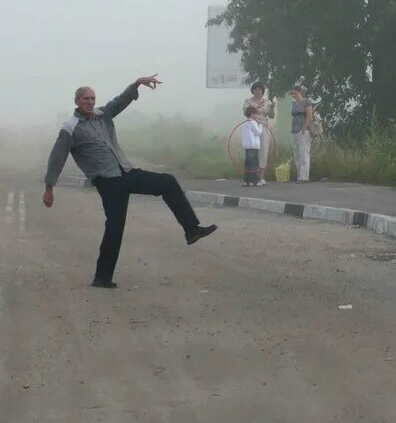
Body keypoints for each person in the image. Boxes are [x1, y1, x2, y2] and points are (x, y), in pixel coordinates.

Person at [42, 75, 217, 289]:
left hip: (126, 172)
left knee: (167, 182)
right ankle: (102, 278)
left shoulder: (102, 115)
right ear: (77, 101)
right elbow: (57, 157)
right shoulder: (71, 128)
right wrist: (49, 187)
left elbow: (119, 101)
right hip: (108, 182)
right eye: (86, 98)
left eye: (93, 98)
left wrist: (136, 85)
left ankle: (192, 229)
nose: (90, 101)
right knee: (115, 228)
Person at [243, 82, 276, 186]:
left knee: (263, 151)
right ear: (252, 91)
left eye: (260, 90)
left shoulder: (267, 102)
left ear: (262, 91)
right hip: (251, 128)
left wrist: (271, 109)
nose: (258, 91)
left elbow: (271, 116)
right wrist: (257, 106)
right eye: (256, 89)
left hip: (263, 128)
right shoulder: (248, 101)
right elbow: (246, 112)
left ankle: (261, 177)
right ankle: (250, 177)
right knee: (251, 152)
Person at [289, 86, 315, 182]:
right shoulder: (294, 103)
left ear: (300, 92)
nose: (294, 95)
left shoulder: (306, 102)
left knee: (304, 152)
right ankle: (299, 175)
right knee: (297, 153)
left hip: (304, 129)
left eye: (296, 93)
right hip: (294, 129)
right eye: (292, 93)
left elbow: (309, 116)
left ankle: (304, 176)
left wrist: (304, 128)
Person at [241, 106, 263, 186]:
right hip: (253, 146)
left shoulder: (245, 123)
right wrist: (260, 124)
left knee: (248, 163)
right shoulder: (253, 123)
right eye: (256, 113)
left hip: (247, 145)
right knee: (254, 163)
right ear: (252, 114)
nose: (256, 115)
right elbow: (258, 132)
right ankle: (254, 181)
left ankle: (246, 180)